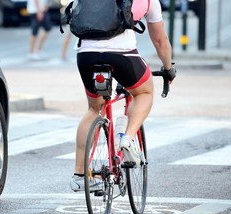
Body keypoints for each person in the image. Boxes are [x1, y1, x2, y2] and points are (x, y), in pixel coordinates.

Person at [70, 0, 176, 191]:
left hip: (86, 54)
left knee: (95, 108)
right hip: (122, 55)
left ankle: (79, 174)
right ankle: (127, 138)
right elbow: (160, 41)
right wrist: (168, 68)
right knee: (144, 92)